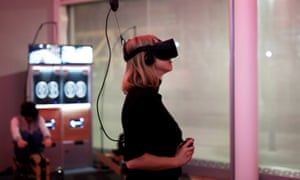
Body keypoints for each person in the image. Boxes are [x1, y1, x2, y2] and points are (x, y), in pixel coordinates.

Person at [121, 34, 195, 180]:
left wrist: (174, 149)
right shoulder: (140, 99)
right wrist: (176, 161)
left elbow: (152, 143)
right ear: (146, 58)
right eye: (160, 49)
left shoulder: (149, 96)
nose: (170, 56)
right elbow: (134, 161)